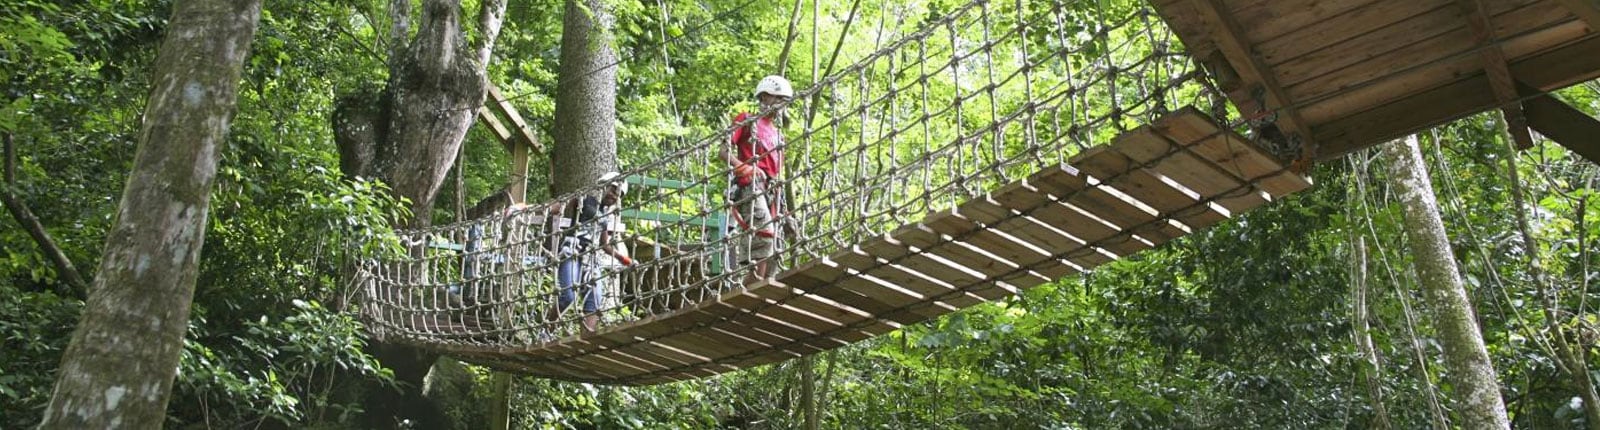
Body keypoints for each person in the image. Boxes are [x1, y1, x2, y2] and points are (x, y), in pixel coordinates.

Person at [721, 75, 792, 284]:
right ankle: (751, 286)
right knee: (765, 235)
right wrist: (743, 167)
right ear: (764, 97)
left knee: (775, 249)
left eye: (784, 101)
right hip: (750, 186)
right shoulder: (747, 120)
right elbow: (723, 151)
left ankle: (758, 286)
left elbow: (776, 173)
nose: (780, 106)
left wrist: (785, 210)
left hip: (771, 189)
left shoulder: (779, 135)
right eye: (777, 99)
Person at [553, 172, 634, 333]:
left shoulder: (607, 215)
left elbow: (605, 245)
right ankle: (547, 329)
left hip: (590, 258)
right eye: (612, 190)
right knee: (568, 297)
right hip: (572, 252)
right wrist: (528, 209)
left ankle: (586, 338)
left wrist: (625, 259)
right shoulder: (585, 200)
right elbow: (559, 206)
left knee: (595, 298)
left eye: (618, 194)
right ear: (605, 187)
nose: (613, 195)